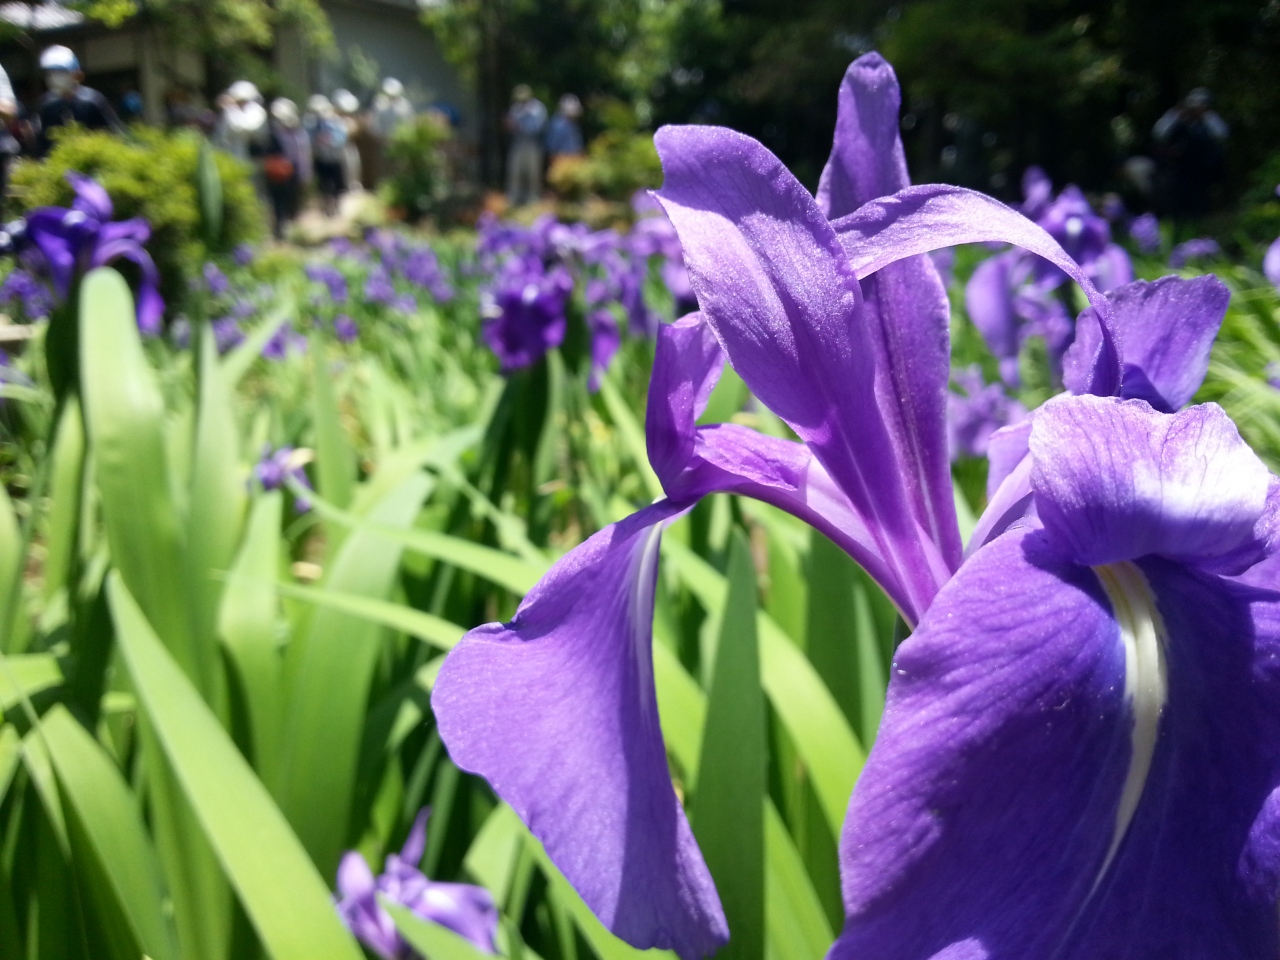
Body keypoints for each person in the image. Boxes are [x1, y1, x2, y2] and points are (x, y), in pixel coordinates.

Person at [1153, 87, 1229, 236]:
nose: (1196, 109)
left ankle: (1201, 233)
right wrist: (1176, 114)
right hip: (1179, 171)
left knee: (1200, 206)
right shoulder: (1177, 119)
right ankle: (1178, 233)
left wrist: (1206, 115)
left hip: (1202, 172)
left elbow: (1223, 134)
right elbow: (1158, 133)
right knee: (1177, 206)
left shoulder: (1209, 121)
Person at [35, 45, 123, 157]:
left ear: (77, 74)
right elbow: (43, 142)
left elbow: (114, 133)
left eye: (61, 72)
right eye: (51, 73)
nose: (54, 77)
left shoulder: (92, 100)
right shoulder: (47, 104)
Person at [266, 98, 310, 240]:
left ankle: (290, 226)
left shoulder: (301, 135)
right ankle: (280, 227)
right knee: (278, 201)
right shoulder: (273, 134)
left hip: (293, 172)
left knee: (293, 201)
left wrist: (304, 174)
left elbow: (303, 157)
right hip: (278, 173)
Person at [505, 84, 547, 206]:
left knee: (533, 171)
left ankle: (533, 199)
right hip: (518, 143)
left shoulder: (538, 108)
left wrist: (520, 127)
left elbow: (540, 127)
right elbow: (510, 125)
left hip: (533, 144)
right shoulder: (515, 108)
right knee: (515, 170)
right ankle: (514, 198)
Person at [308, 94, 347, 217]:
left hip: (335, 157)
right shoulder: (310, 122)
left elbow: (342, 136)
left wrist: (330, 140)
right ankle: (325, 207)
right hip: (320, 157)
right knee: (323, 184)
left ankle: (337, 205)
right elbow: (307, 138)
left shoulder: (335, 121)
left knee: (337, 183)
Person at [215, 81, 269, 163]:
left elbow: (245, 127)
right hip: (230, 156)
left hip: (252, 157)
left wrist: (229, 110)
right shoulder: (230, 111)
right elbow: (221, 135)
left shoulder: (257, 111)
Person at [332, 89, 363, 190]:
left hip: (350, 144)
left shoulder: (350, 119)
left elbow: (355, 132)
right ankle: (345, 186)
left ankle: (354, 184)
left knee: (354, 165)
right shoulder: (335, 120)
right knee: (343, 167)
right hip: (339, 147)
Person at [545, 94, 584, 161]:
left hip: (574, 157)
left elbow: (577, 143)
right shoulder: (557, 124)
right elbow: (552, 147)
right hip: (562, 158)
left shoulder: (573, 123)